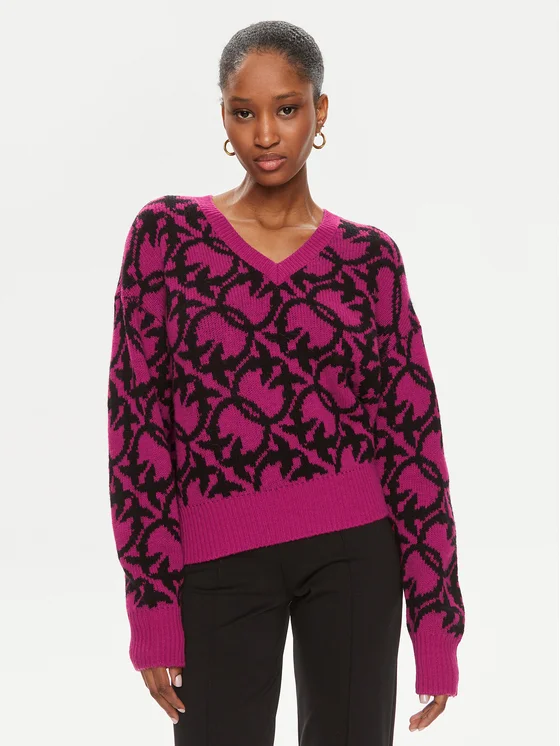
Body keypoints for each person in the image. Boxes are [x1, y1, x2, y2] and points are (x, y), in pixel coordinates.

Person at [107, 19, 466, 746]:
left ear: (320, 112)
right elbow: (137, 429)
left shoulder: (370, 259)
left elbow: (413, 440)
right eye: (245, 112)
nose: (265, 134)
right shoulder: (164, 238)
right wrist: (152, 609)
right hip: (215, 562)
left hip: (355, 554)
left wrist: (436, 622)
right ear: (223, 117)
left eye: (287, 108)